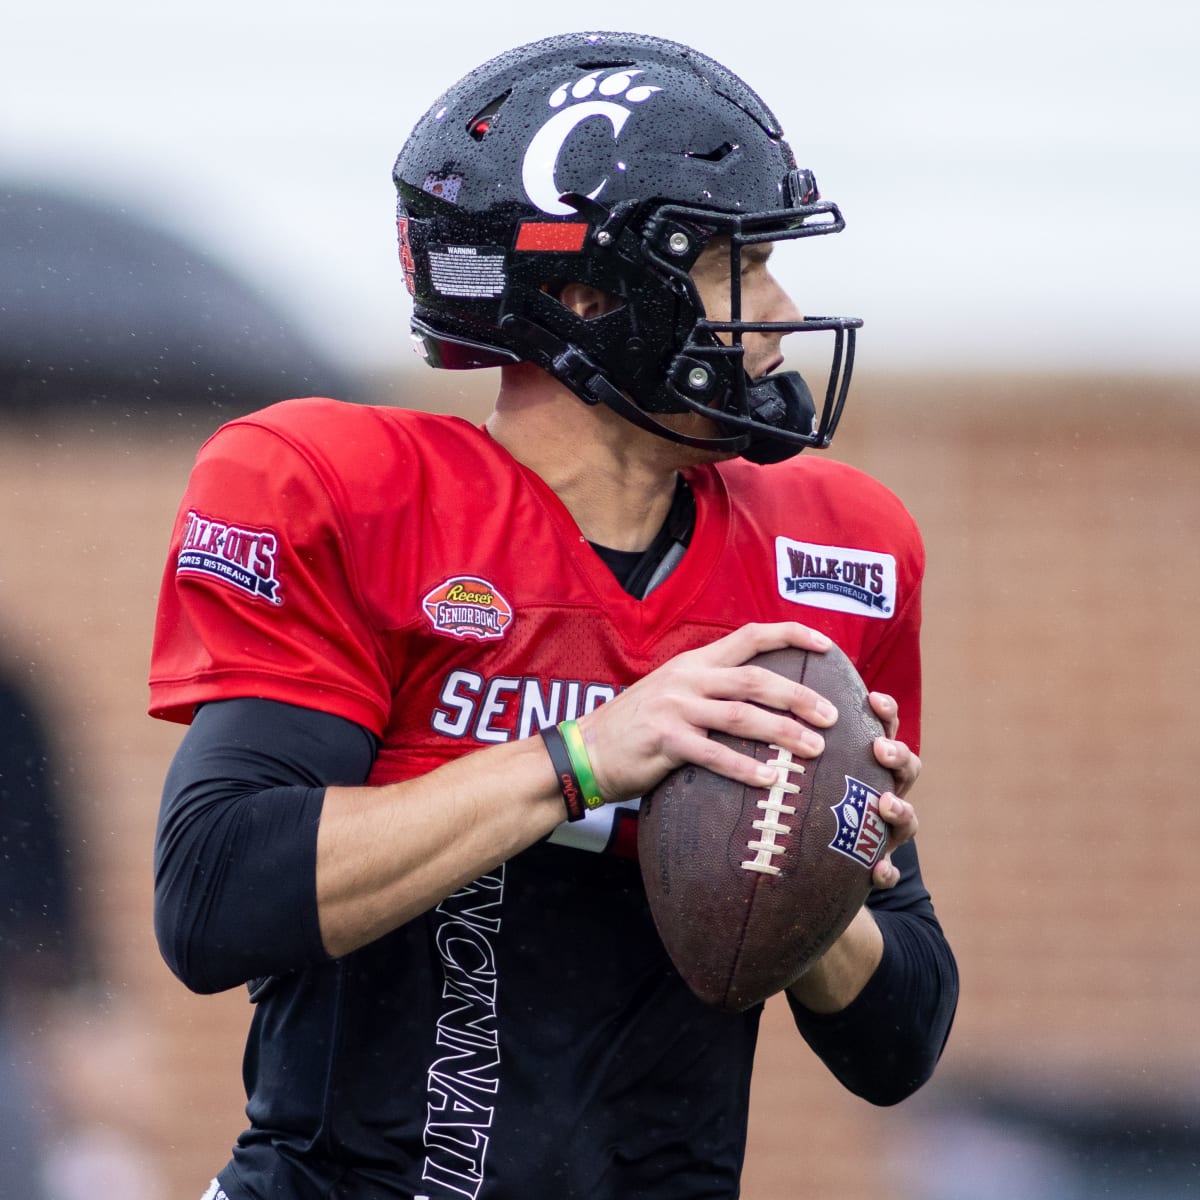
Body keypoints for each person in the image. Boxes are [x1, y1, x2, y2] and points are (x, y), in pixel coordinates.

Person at [149, 31, 958, 1200]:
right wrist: (581, 757)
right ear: (588, 293)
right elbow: (216, 898)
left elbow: (901, 1041)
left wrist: (795, 853)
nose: (780, 315)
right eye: (738, 265)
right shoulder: (348, 492)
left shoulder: (831, 551)